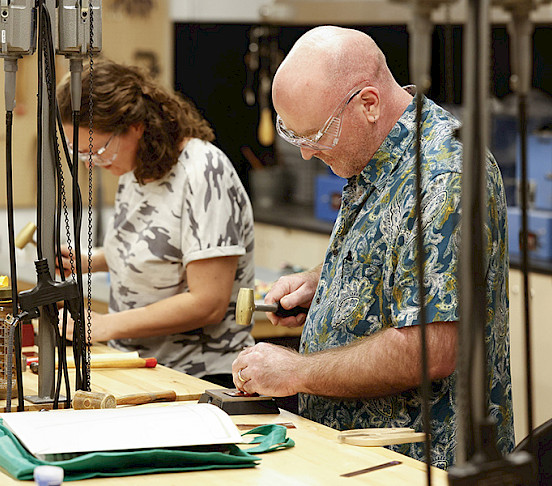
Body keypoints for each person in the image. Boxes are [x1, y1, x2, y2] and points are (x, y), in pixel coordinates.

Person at [232, 26, 514, 469]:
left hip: (414, 461)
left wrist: (296, 372)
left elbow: (431, 347)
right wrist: (322, 287)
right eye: (296, 137)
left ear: (368, 103)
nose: (307, 155)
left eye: (317, 135)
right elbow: (392, 261)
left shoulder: (442, 177)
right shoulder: (374, 155)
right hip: (352, 452)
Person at [56, 59, 255, 388]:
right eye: (83, 155)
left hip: (199, 376)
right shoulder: (136, 168)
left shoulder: (203, 172)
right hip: (143, 366)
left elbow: (207, 303)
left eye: (98, 151)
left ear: (135, 126)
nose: (92, 165)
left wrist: (104, 325)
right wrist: (90, 261)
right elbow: (157, 247)